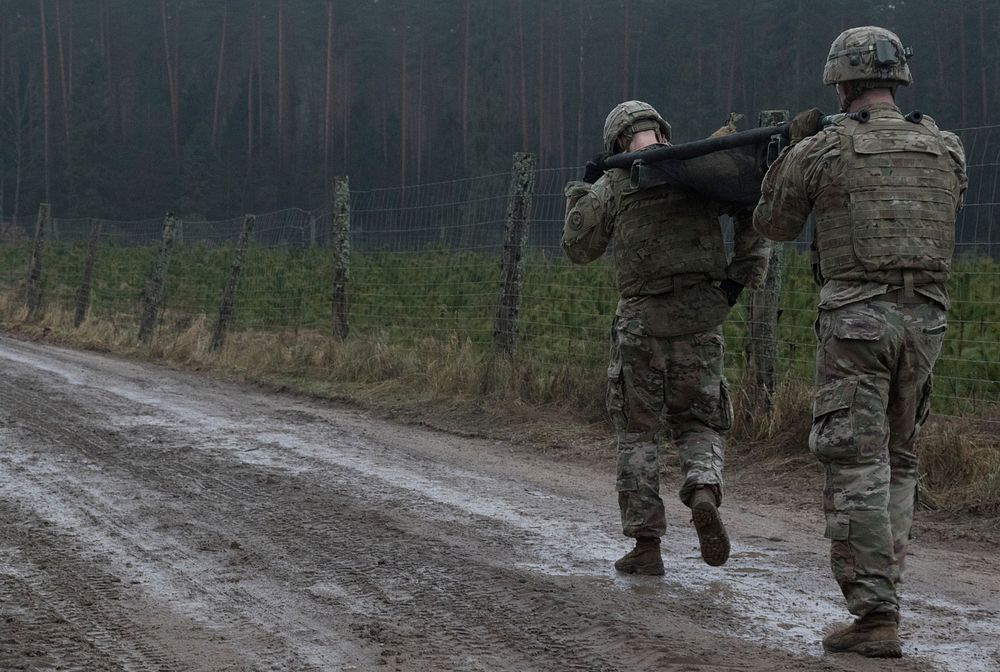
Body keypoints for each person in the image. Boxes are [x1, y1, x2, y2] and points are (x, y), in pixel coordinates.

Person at [752, 26, 967, 658]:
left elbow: (774, 223)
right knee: (901, 459)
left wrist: (786, 156)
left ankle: (875, 613)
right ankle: (885, 595)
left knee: (856, 463)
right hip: (926, 322)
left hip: (856, 323)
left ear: (842, 83)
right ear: (897, 81)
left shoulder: (824, 149)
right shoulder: (946, 148)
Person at [562, 100, 770, 575]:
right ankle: (701, 488)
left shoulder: (616, 183)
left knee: (638, 432)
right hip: (701, 315)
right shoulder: (698, 172)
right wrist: (738, 280)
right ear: (662, 131)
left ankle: (647, 546)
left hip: (641, 322)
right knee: (699, 421)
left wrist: (584, 188)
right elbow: (753, 207)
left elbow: (578, 247)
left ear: (617, 140)